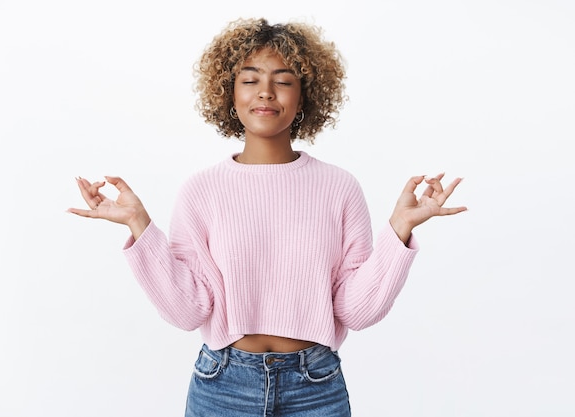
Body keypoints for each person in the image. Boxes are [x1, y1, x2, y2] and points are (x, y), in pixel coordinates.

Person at [67, 17, 466, 417]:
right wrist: (140, 225)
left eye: (284, 80)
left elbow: (355, 311)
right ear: (229, 91)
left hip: (316, 388)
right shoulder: (201, 190)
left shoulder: (339, 187)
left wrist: (399, 229)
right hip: (223, 386)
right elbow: (187, 311)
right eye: (250, 79)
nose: (266, 93)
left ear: (306, 94)